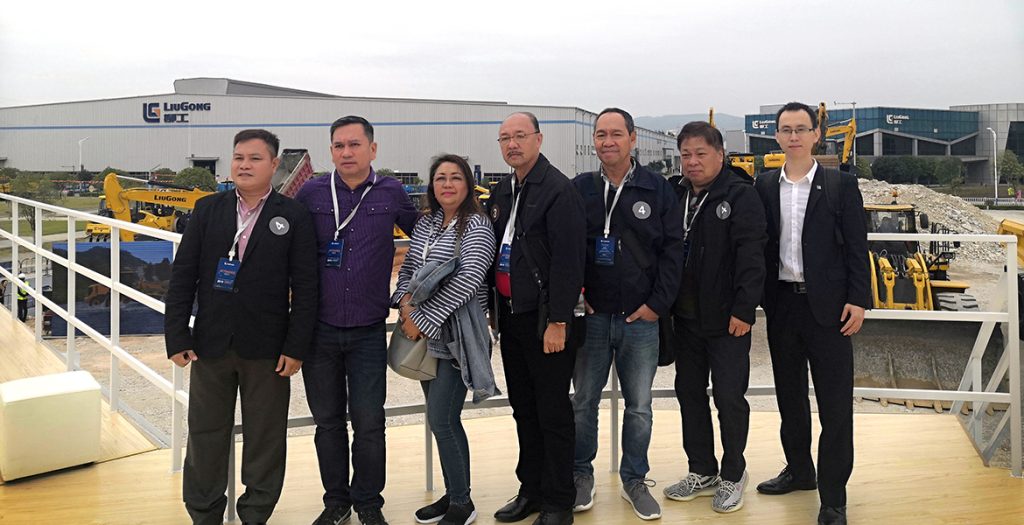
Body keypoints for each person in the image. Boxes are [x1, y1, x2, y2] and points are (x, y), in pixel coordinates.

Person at [164, 129, 319, 525]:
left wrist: (296, 347)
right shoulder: (207, 209)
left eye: (254, 158)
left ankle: (255, 514)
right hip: (210, 344)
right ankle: (204, 513)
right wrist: (177, 335)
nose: (244, 165)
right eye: (238, 157)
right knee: (205, 434)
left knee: (265, 437)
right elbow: (182, 277)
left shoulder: (292, 215)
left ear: (274, 164)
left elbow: (306, 287)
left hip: (268, 349)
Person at [295, 115, 419, 525]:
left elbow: (424, 238)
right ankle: (336, 503)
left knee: (369, 422)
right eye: (339, 146)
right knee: (327, 423)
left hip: (367, 329)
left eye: (354, 144)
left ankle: (368, 502)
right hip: (320, 329)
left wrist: (411, 295)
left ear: (372, 149)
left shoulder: (391, 192)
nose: (346, 152)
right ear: (331, 151)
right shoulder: (312, 193)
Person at [753, 102, 869, 525]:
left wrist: (859, 299)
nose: (794, 136)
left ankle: (833, 496)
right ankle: (800, 470)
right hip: (783, 304)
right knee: (790, 398)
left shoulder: (841, 185)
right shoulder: (765, 185)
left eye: (801, 129)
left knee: (835, 406)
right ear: (776, 136)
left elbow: (857, 246)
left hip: (832, 309)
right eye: (786, 129)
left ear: (817, 134)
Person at [569, 108, 683, 521]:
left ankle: (635, 479)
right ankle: (580, 474)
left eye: (616, 134)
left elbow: (673, 251)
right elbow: (567, 248)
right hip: (593, 317)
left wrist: (657, 305)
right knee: (583, 401)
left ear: (633, 139)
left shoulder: (657, 189)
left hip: (641, 318)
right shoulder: (580, 188)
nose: (608, 141)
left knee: (639, 406)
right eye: (601, 134)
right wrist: (578, 294)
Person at [662, 121, 766, 514]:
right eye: (686, 154)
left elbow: (752, 257)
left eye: (700, 154)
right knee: (689, 393)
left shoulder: (740, 195)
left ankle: (733, 473)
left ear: (720, 154)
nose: (692, 162)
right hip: (685, 319)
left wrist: (744, 310)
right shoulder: (676, 194)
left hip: (726, 320)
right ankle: (702, 469)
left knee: (729, 397)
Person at [489, 112, 586, 525]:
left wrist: (559, 321)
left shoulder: (558, 190)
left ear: (539, 139)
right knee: (524, 409)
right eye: (504, 138)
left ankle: (559, 500)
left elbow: (569, 262)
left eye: (520, 136)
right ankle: (530, 489)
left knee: (553, 413)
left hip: (547, 321)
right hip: (512, 318)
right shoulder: (503, 190)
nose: (512, 144)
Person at [393, 154, 496, 525]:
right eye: (440, 178)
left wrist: (421, 320)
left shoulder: (478, 226)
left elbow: (467, 281)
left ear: (468, 184)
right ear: (431, 185)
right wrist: (404, 305)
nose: (447, 184)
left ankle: (463, 503)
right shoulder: (427, 223)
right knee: (440, 421)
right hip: (424, 335)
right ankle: (454, 493)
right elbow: (409, 268)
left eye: (455, 177)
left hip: (457, 336)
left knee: (443, 419)